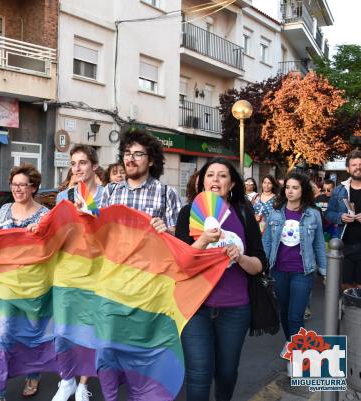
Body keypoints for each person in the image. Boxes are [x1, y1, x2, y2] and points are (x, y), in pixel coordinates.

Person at [174, 158, 266, 401]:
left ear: (232, 183)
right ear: (201, 182)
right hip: (196, 308)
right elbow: (181, 264)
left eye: (222, 175)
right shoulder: (188, 213)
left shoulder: (244, 214)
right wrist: (203, 240)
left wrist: (241, 257)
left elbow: (259, 265)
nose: (215, 180)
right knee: (198, 374)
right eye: (210, 175)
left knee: (226, 373)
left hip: (235, 309)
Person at [0, 164, 49, 401]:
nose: (17, 189)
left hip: (34, 285)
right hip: (6, 282)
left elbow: (52, 247)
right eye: (14, 185)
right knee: (2, 333)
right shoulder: (4, 209)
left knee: (32, 333)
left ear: (33, 187)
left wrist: (41, 233)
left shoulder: (44, 214)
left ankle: (33, 374)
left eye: (22, 185)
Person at [53, 145, 103, 401]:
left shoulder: (108, 195)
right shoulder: (65, 197)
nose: (78, 168)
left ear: (94, 166)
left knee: (89, 330)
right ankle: (66, 379)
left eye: (83, 162)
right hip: (66, 271)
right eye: (74, 163)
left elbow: (111, 234)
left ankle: (83, 383)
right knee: (62, 330)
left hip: (96, 271)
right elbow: (56, 233)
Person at [262, 173, 326, 351]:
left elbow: (319, 243)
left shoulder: (313, 214)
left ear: (303, 190)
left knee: (295, 316)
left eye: (295, 187)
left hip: (302, 271)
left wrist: (325, 271)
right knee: (283, 312)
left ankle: (297, 352)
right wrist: (261, 266)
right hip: (278, 270)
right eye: (287, 187)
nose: (290, 191)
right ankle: (293, 344)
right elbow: (266, 242)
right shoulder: (275, 213)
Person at [101, 127, 183, 234]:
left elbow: (179, 237)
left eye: (138, 154)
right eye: (127, 153)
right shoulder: (110, 191)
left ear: (151, 161)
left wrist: (166, 231)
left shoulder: (167, 193)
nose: (130, 159)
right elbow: (100, 231)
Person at [327, 150, 361, 291]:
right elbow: (329, 214)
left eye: (360, 164)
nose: (358, 167)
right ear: (348, 168)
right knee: (343, 287)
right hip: (344, 246)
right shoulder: (339, 190)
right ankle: (344, 313)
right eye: (354, 165)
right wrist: (340, 217)